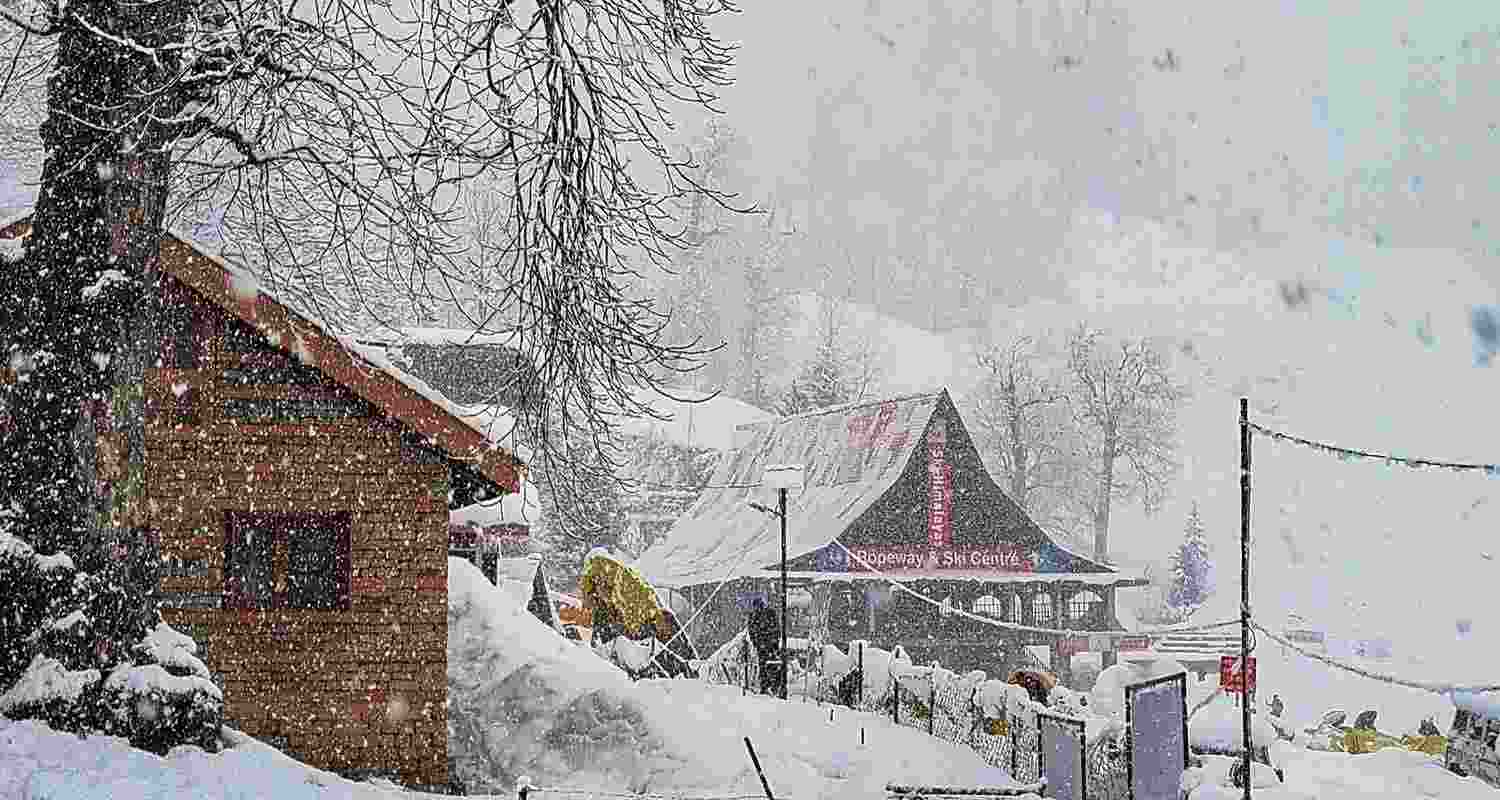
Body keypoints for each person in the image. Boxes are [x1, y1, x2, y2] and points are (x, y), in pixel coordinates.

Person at [747, 596, 782, 696]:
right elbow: (776, 628)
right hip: (769, 645)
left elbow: (752, 631)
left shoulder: (755, 616)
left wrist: (757, 643)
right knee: (770, 666)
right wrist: (773, 640)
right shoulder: (768, 613)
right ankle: (770, 686)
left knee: (766, 666)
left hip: (766, 646)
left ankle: (767, 686)